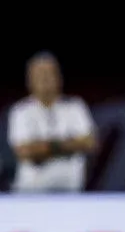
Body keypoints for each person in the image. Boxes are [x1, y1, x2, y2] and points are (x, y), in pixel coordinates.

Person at [7, 51, 96, 192]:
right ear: (29, 80)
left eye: (49, 73)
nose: (45, 78)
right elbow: (24, 151)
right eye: (39, 74)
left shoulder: (75, 107)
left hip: (71, 191)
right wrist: (69, 145)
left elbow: (89, 143)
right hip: (30, 194)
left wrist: (43, 147)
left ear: (59, 77)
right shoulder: (20, 111)